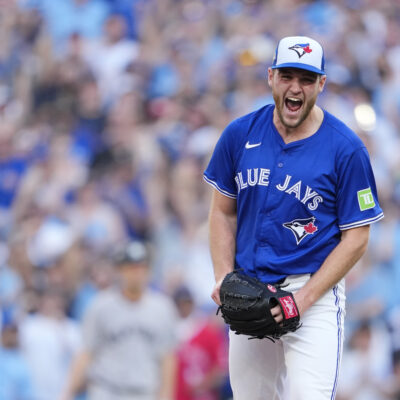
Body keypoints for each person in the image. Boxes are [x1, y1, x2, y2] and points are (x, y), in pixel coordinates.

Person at [203, 35, 384, 400]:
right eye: (287, 76)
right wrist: (223, 276)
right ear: (271, 77)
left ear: (321, 84)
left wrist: (302, 299)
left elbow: (357, 237)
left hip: (311, 295)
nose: (295, 87)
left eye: (305, 78)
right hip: (250, 290)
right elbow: (223, 211)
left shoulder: (346, 149)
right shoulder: (240, 134)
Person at [59, 240, 177, 400]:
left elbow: (167, 359)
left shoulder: (163, 308)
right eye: (130, 268)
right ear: (120, 270)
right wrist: (68, 392)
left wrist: (166, 396)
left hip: (144, 392)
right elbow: (86, 352)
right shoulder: (101, 305)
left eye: (141, 268)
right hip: (107, 390)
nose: (136, 273)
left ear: (148, 270)